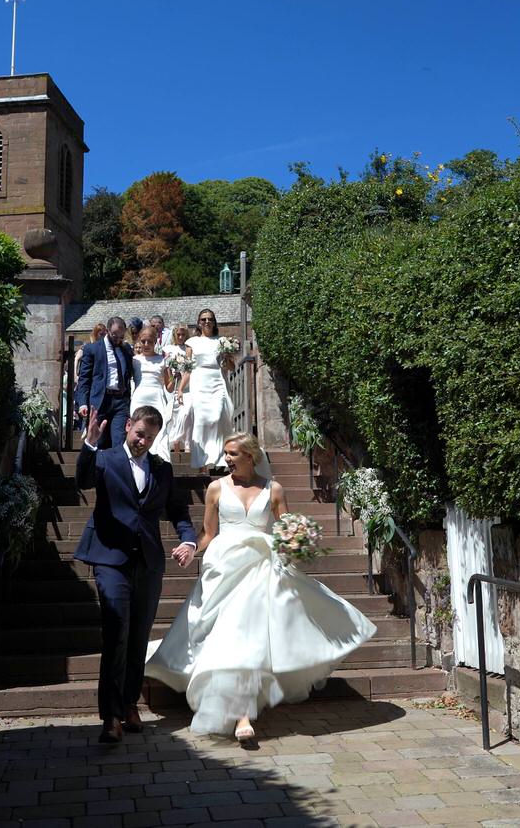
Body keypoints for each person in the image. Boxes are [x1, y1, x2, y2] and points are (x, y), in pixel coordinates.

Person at [145, 432, 375, 742]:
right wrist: (191, 548)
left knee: (247, 638)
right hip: (225, 567)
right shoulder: (216, 488)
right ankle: (239, 710)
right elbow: (208, 533)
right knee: (231, 637)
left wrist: (298, 541)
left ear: (251, 456)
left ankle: (242, 715)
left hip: (261, 567)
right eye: (226, 453)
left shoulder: (274, 490)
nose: (227, 459)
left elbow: (286, 530)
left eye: (233, 454)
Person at [73, 406, 198, 743]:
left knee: (139, 635)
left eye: (151, 438)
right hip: (110, 558)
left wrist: (189, 541)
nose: (143, 441)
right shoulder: (106, 458)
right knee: (116, 631)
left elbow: (178, 511)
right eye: (140, 433)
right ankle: (110, 716)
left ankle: (130, 703)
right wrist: (89, 445)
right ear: (128, 426)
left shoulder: (162, 469)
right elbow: (82, 480)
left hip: (148, 561)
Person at [180, 309, 234, 472]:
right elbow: (188, 369)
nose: (207, 322)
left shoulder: (223, 341)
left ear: (214, 322)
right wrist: (180, 389)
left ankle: (218, 459)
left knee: (217, 417)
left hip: (217, 379)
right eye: (203, 319)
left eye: (210, 319)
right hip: (199, 381)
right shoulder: (192, 342)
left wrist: (226, 358)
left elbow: (231, 366)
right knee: (201, 421)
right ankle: (201, 463)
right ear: (199, 322)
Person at [75, 317, 134, 449]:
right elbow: (85, 378)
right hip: (100, 401)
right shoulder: (92, 349)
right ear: (107, 331)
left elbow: (128, 375)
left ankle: (117, 468)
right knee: (99, 442)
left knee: (119, 441)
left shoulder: (126, 351)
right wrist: (83, 403)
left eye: (121, 336)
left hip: (120, 402)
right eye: (114, 335)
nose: (118, 339)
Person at [129, 326, 175, 458]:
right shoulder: (135, 360)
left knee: (159, 430)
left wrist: (176, 374)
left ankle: (160, 461)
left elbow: (170, 387)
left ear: (155, 342)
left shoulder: (163, 360)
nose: (146, 344)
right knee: (138, 427)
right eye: (143, 341)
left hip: (157, 398)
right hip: (139, 398)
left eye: (150, 341)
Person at [161, 322, 194, 453]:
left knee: (186, 413)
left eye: (183, 334)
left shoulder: (189, 349)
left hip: (186, 386)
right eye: (178, 334)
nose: (180, 337)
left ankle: (187, 444)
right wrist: (172, 375)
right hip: (172, 384)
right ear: (174, 334)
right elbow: (165, 369)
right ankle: (175, 446)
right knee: (173, 417)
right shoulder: (168, 349)